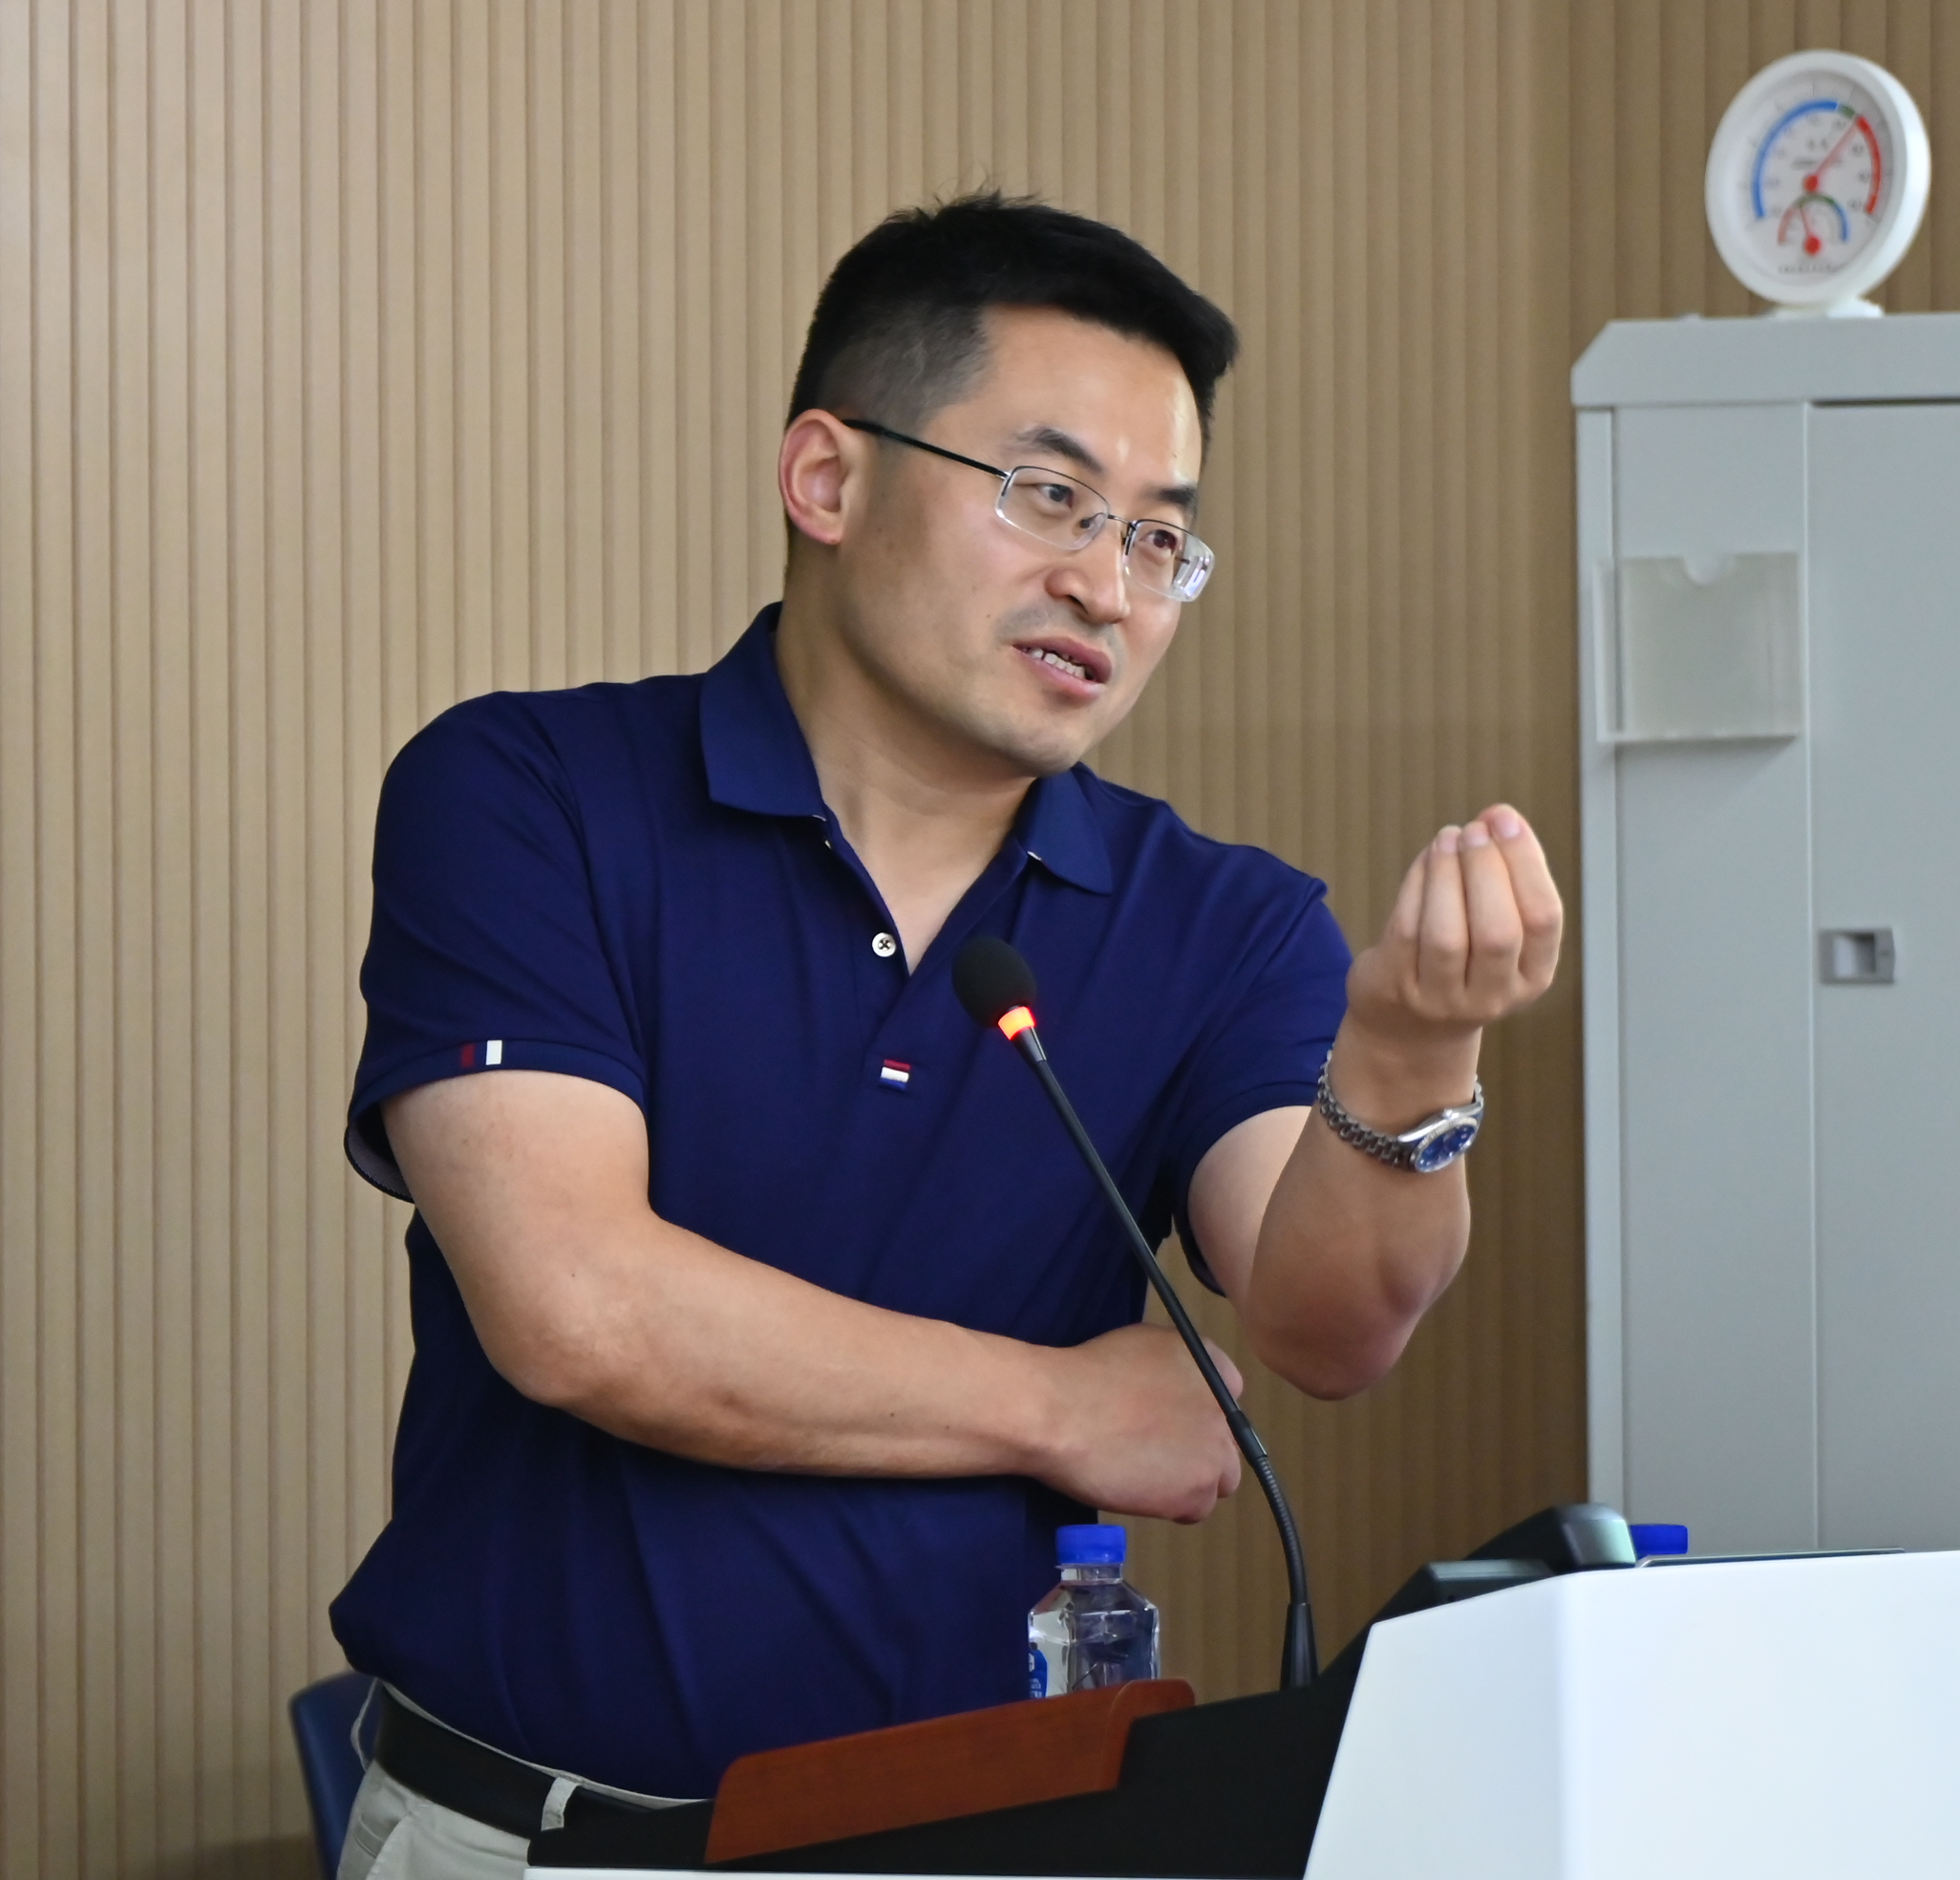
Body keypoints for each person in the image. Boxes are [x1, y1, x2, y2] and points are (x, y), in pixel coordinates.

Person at [330, 193, 1563, 1880]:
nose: (1105, 585)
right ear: (827, 479)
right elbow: (580, 1313)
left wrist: (1414, 1064)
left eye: (1159, 539)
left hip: (990, 1841)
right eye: (1050, 495)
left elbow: (1326, 1325)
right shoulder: (528, 795)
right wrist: (1060, 1406)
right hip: (535, 1840)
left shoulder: (1224, 921)